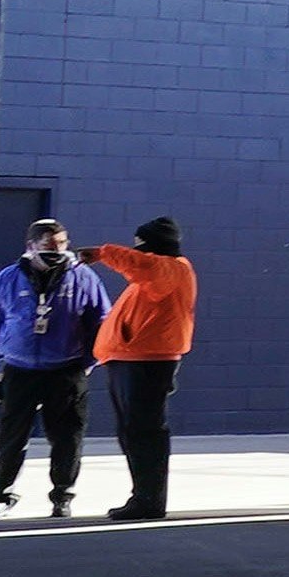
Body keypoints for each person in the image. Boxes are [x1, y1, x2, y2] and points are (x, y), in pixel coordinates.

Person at [0, 217, 113, 519]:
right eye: (48, 247)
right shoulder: (8, 279)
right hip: (19, 368)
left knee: (67, 436)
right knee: (12, 437)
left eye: (62, 245)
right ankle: (1, 495)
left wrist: (90, 362)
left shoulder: (83, 277)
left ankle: (62, 494)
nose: (57, 251)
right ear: (30, 247)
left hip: (65, 370)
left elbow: (102, 319)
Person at [88, 215, 193, 523]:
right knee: (134, 432)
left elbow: (142, 264)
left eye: (141, 245)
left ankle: (148, 500)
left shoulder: (168, 269)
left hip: (146, 361)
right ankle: (143, 496)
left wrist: (101, 253)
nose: (139, 252)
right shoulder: (161, 275)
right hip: (135, 359)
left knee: (143, 432)